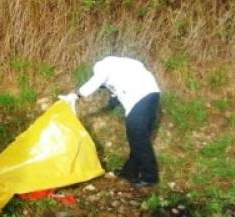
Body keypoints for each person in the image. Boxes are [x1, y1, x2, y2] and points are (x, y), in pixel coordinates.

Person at [60, 56, 161, 187]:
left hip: (142, 97)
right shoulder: (122, 65)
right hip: (152, 94)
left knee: (137, 135)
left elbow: (96, 81)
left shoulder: (103, 66)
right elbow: (121, 84)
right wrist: (114, 100)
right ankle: (129, 172)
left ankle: (150, 177)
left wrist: (77, 95)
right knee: (138, 137)